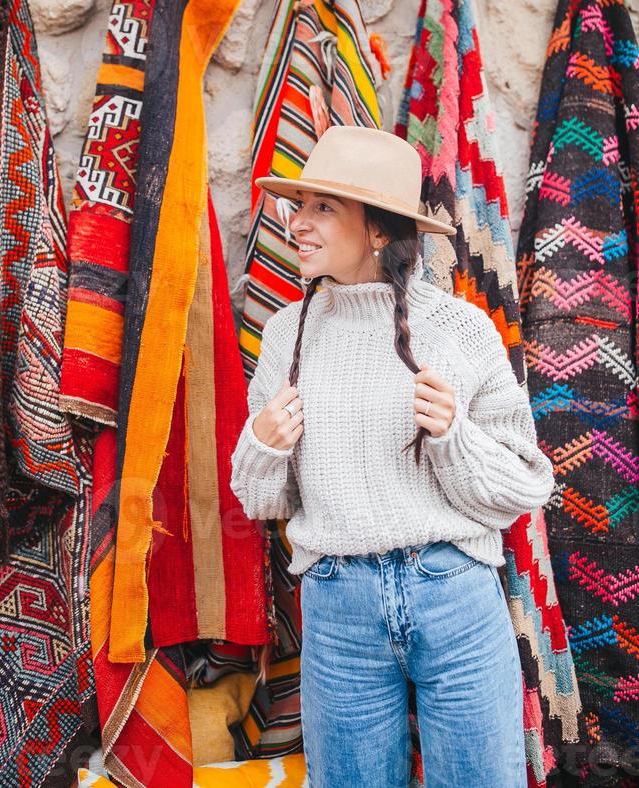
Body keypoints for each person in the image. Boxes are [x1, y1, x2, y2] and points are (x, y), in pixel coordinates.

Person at [230, 125, 555, 788]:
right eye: (301, 205)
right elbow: (260, 500)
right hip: (337, 605)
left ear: (380, 231)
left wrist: (453, 438)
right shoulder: (285, 333)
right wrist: (263, 443)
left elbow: (527, 482)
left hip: (455, 595)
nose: (298, 223)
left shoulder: (461, 328)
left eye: (324, 207)